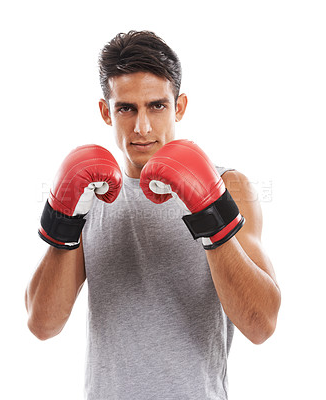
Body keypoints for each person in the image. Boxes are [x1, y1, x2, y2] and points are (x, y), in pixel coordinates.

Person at [25, 30, 281, 399]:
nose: (141, 127)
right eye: (126, 108)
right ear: (105, 111)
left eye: (157, 106)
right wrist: (64, 222)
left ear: (179, 106)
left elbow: (262, 325)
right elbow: (42, 325)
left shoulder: (229, 187)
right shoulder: (89, 193)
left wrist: (211, 213)